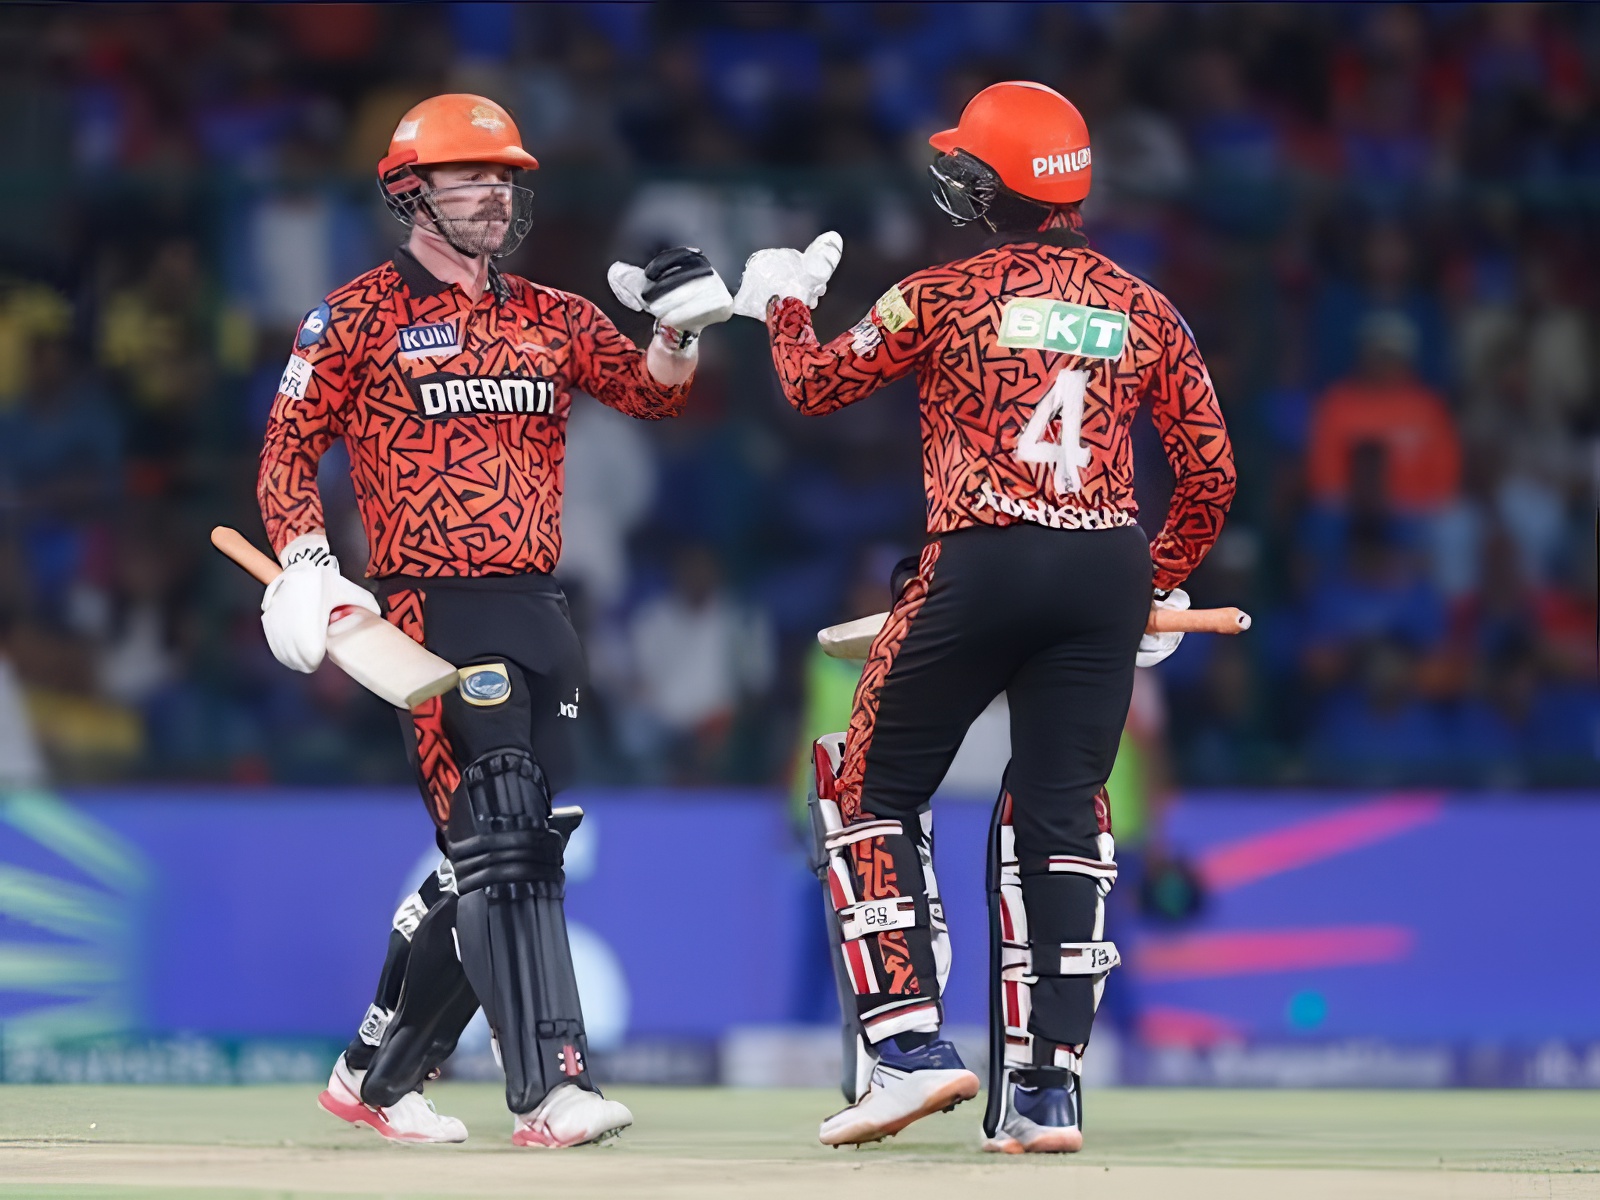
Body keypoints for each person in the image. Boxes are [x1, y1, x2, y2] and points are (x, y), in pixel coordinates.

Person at [732, 81, 1234, 1152]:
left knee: (865, 786)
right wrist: (1158, 583)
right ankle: (1045, 1094)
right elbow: (1211, 474)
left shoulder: (944, 293)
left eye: (968, 171)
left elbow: (813, 387)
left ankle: (908, 1052)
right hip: (1104, 570)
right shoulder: (1147, 308)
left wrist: (781, 304)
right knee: (1061, 814)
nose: (955, 186)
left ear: (994, 187)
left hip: (982, 560)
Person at [255, 94, 732, 1148]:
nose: (496, 194)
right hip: (427, 610)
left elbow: (652, 395)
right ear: (410, 192)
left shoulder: (554, 314)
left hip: (540, 609)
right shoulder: (356, 316)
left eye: (506, 177)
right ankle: (552, 1089)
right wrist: (308, 561)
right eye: (471, 176)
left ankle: (374, 1076)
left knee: (505, 852)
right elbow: (287, 451)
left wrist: (677, 334)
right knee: (506, 831)